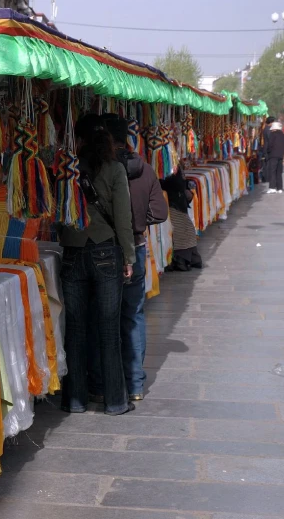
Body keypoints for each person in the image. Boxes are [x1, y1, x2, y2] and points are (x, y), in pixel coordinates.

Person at [57, 113, 135, 416]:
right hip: (105, 250)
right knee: (108, 329)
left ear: (79, 139)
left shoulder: (67, 169)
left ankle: (74, 399)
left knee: (75, 329)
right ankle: (115, 401)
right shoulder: (115, 169)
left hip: (73, 250)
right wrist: (128, 256)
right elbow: (123, 219)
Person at [103, 115, 168, 401]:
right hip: (138, 246)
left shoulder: (102, 168)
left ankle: (110, 382)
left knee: (106, 316)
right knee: (133, 314)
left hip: (107, 249)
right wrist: (139, 223)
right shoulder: (146, 170)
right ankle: (136, 384)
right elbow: (161, 213)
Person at [161, 164, 202, 271]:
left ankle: (183, 260)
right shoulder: (172, 175)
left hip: (177, 206)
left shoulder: (174, 171)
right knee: (182, 232)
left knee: (186, 231)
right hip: (174, 206)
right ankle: (181, 260)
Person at [265, 121, 284, 194]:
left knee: (272, 171)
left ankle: (272, 187)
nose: (271, 130)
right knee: (279, 172)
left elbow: (269, 145)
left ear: (274, 129)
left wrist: (268, 152)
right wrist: (282, 152)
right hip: (281, 156)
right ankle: (280, 188)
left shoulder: (273, 135)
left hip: (273, 155)